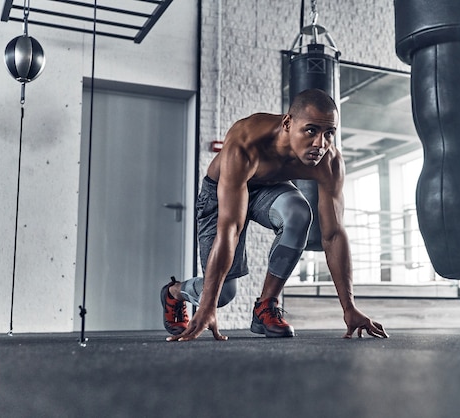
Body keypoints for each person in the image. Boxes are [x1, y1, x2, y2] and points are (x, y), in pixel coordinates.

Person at [161, 88, 388, 341]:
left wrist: (349, 308)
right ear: (288, 123)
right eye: (311, 130)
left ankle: (266, 306)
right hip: (220, 193)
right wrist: (207, 307)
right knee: (222, 294)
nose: (320, 143)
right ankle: (175, 292)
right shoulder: (247, 141)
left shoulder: (330, 162)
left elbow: (334, 235)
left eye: (329, 133)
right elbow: (230, 229)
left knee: (299, 213)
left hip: (268, 187)